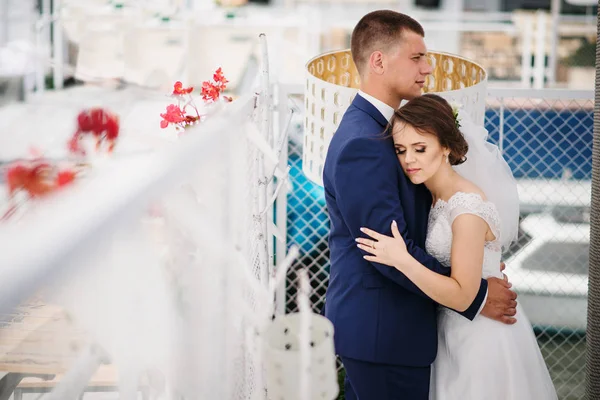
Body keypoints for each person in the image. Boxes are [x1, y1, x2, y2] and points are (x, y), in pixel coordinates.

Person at [322, 10, 517, 400]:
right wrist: (474, 292)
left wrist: (470, 261)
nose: (428, 68)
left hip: (398, 327)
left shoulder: (387, 130)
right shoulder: (363, 142)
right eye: (417, 57)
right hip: (384, 328)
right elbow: (384, 249)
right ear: (378, 60)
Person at [357, 94, 557, 399]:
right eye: (401, 150)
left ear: (447, 147)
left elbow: (464, 295)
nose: (409, 159)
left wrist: (402, 259)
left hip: (480, 338)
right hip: (448, 334)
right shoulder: (430, 198)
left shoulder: (466, 208)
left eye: (420, 148)